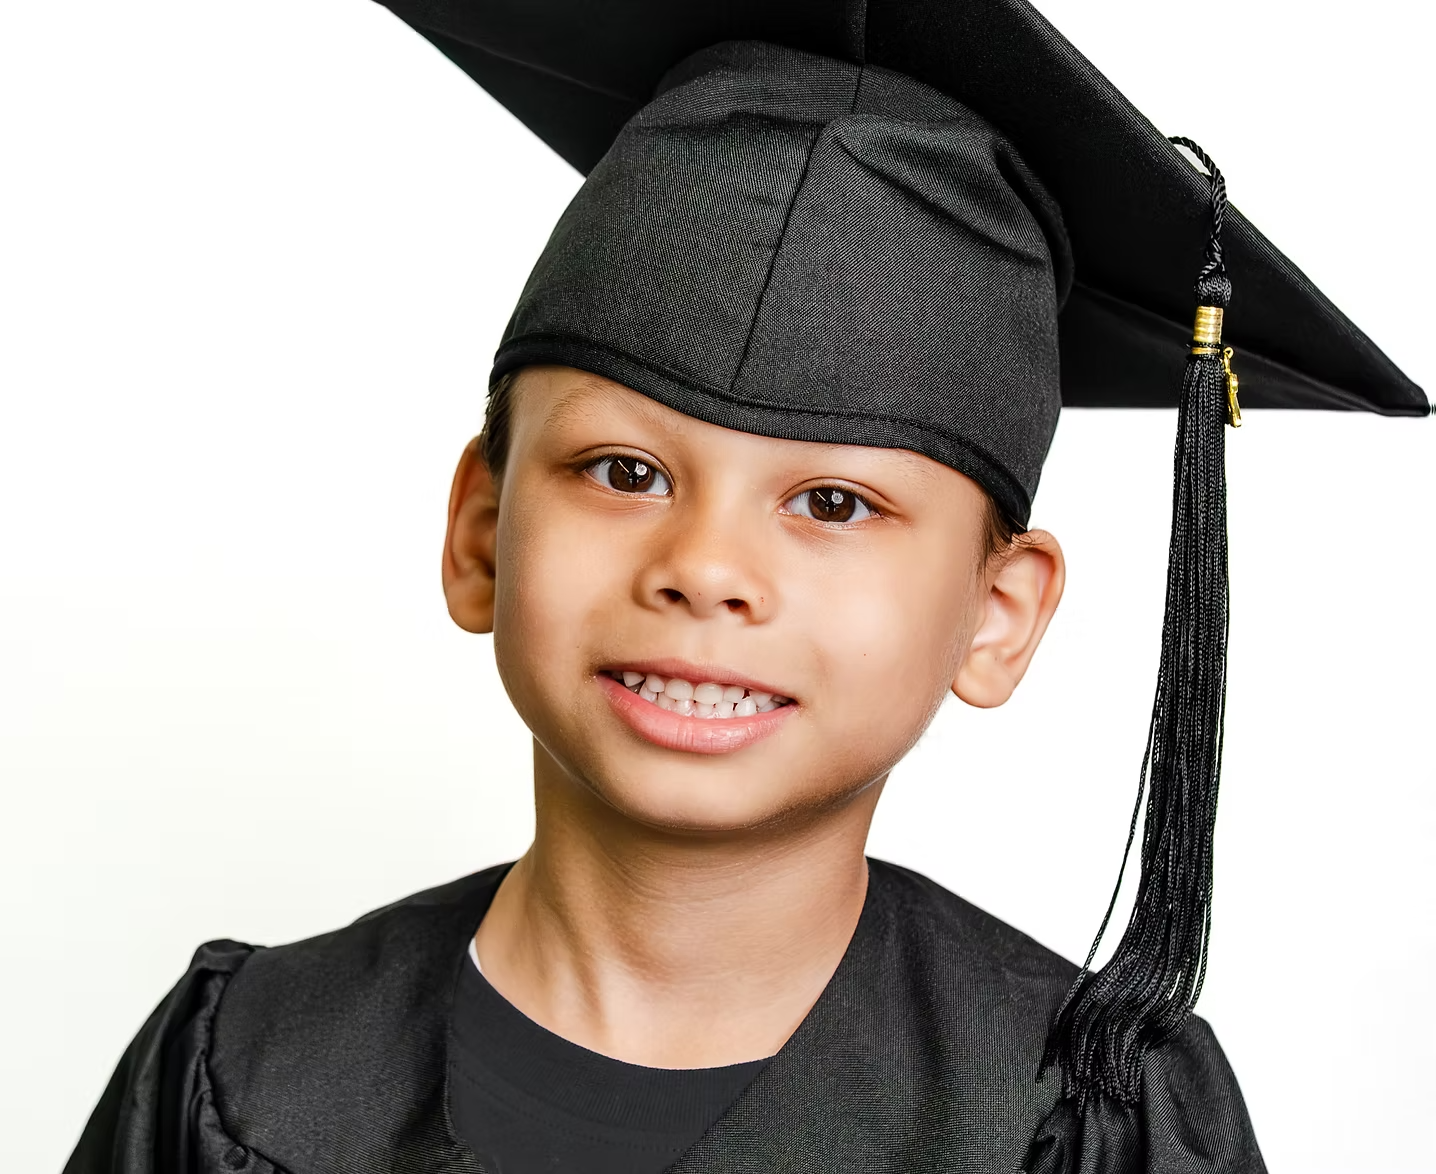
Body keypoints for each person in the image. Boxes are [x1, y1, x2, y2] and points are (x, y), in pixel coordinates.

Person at [63, 3, 1428, 1173]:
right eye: (621, 470)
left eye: (835, 503)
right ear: (481, 529)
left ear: (995, 615)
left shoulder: (1083, 1122)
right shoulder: (241, 1071)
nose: (706, 568)